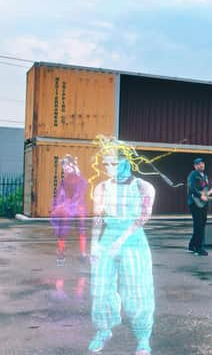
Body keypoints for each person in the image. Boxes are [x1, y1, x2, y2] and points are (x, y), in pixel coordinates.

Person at [87, 137, 156, 355]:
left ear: (127, 162)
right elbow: (97, 218)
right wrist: (94, 245)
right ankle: (103, 330)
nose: (109, 168)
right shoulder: (102, 187)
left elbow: (141, 219)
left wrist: (120, 241)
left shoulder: (144, 187)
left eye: (114, 163)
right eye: (106, 163)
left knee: (138, 290)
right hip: (107, 240)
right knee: (100, 288)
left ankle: (143, 337)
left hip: (134, 242)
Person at [50, 154, 88, 265]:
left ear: (72, 165)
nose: (65, 168)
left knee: (80, 229)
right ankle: (62, 253)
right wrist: (57, 205)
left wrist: (66, 205)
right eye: (64, 166)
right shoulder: (64, 181)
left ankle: (82, 253)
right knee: (63, 230)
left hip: (76, 207)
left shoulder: (80, 180)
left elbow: (79, 194)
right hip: (68, 207)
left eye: (66, 165)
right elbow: (58, 195)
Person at [187, 158, 212, 256]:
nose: (201, 165)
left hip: (203, 204)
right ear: (195, 166)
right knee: (199, 225)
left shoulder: (205, 176)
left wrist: (211, 191)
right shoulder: (193, 174)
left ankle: (192, 245)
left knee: (200, 225)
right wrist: (200, 196)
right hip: (195, 203)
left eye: (202, 163)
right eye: (198, 164)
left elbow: (204, 189)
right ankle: (199, 248)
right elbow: (191, 187)